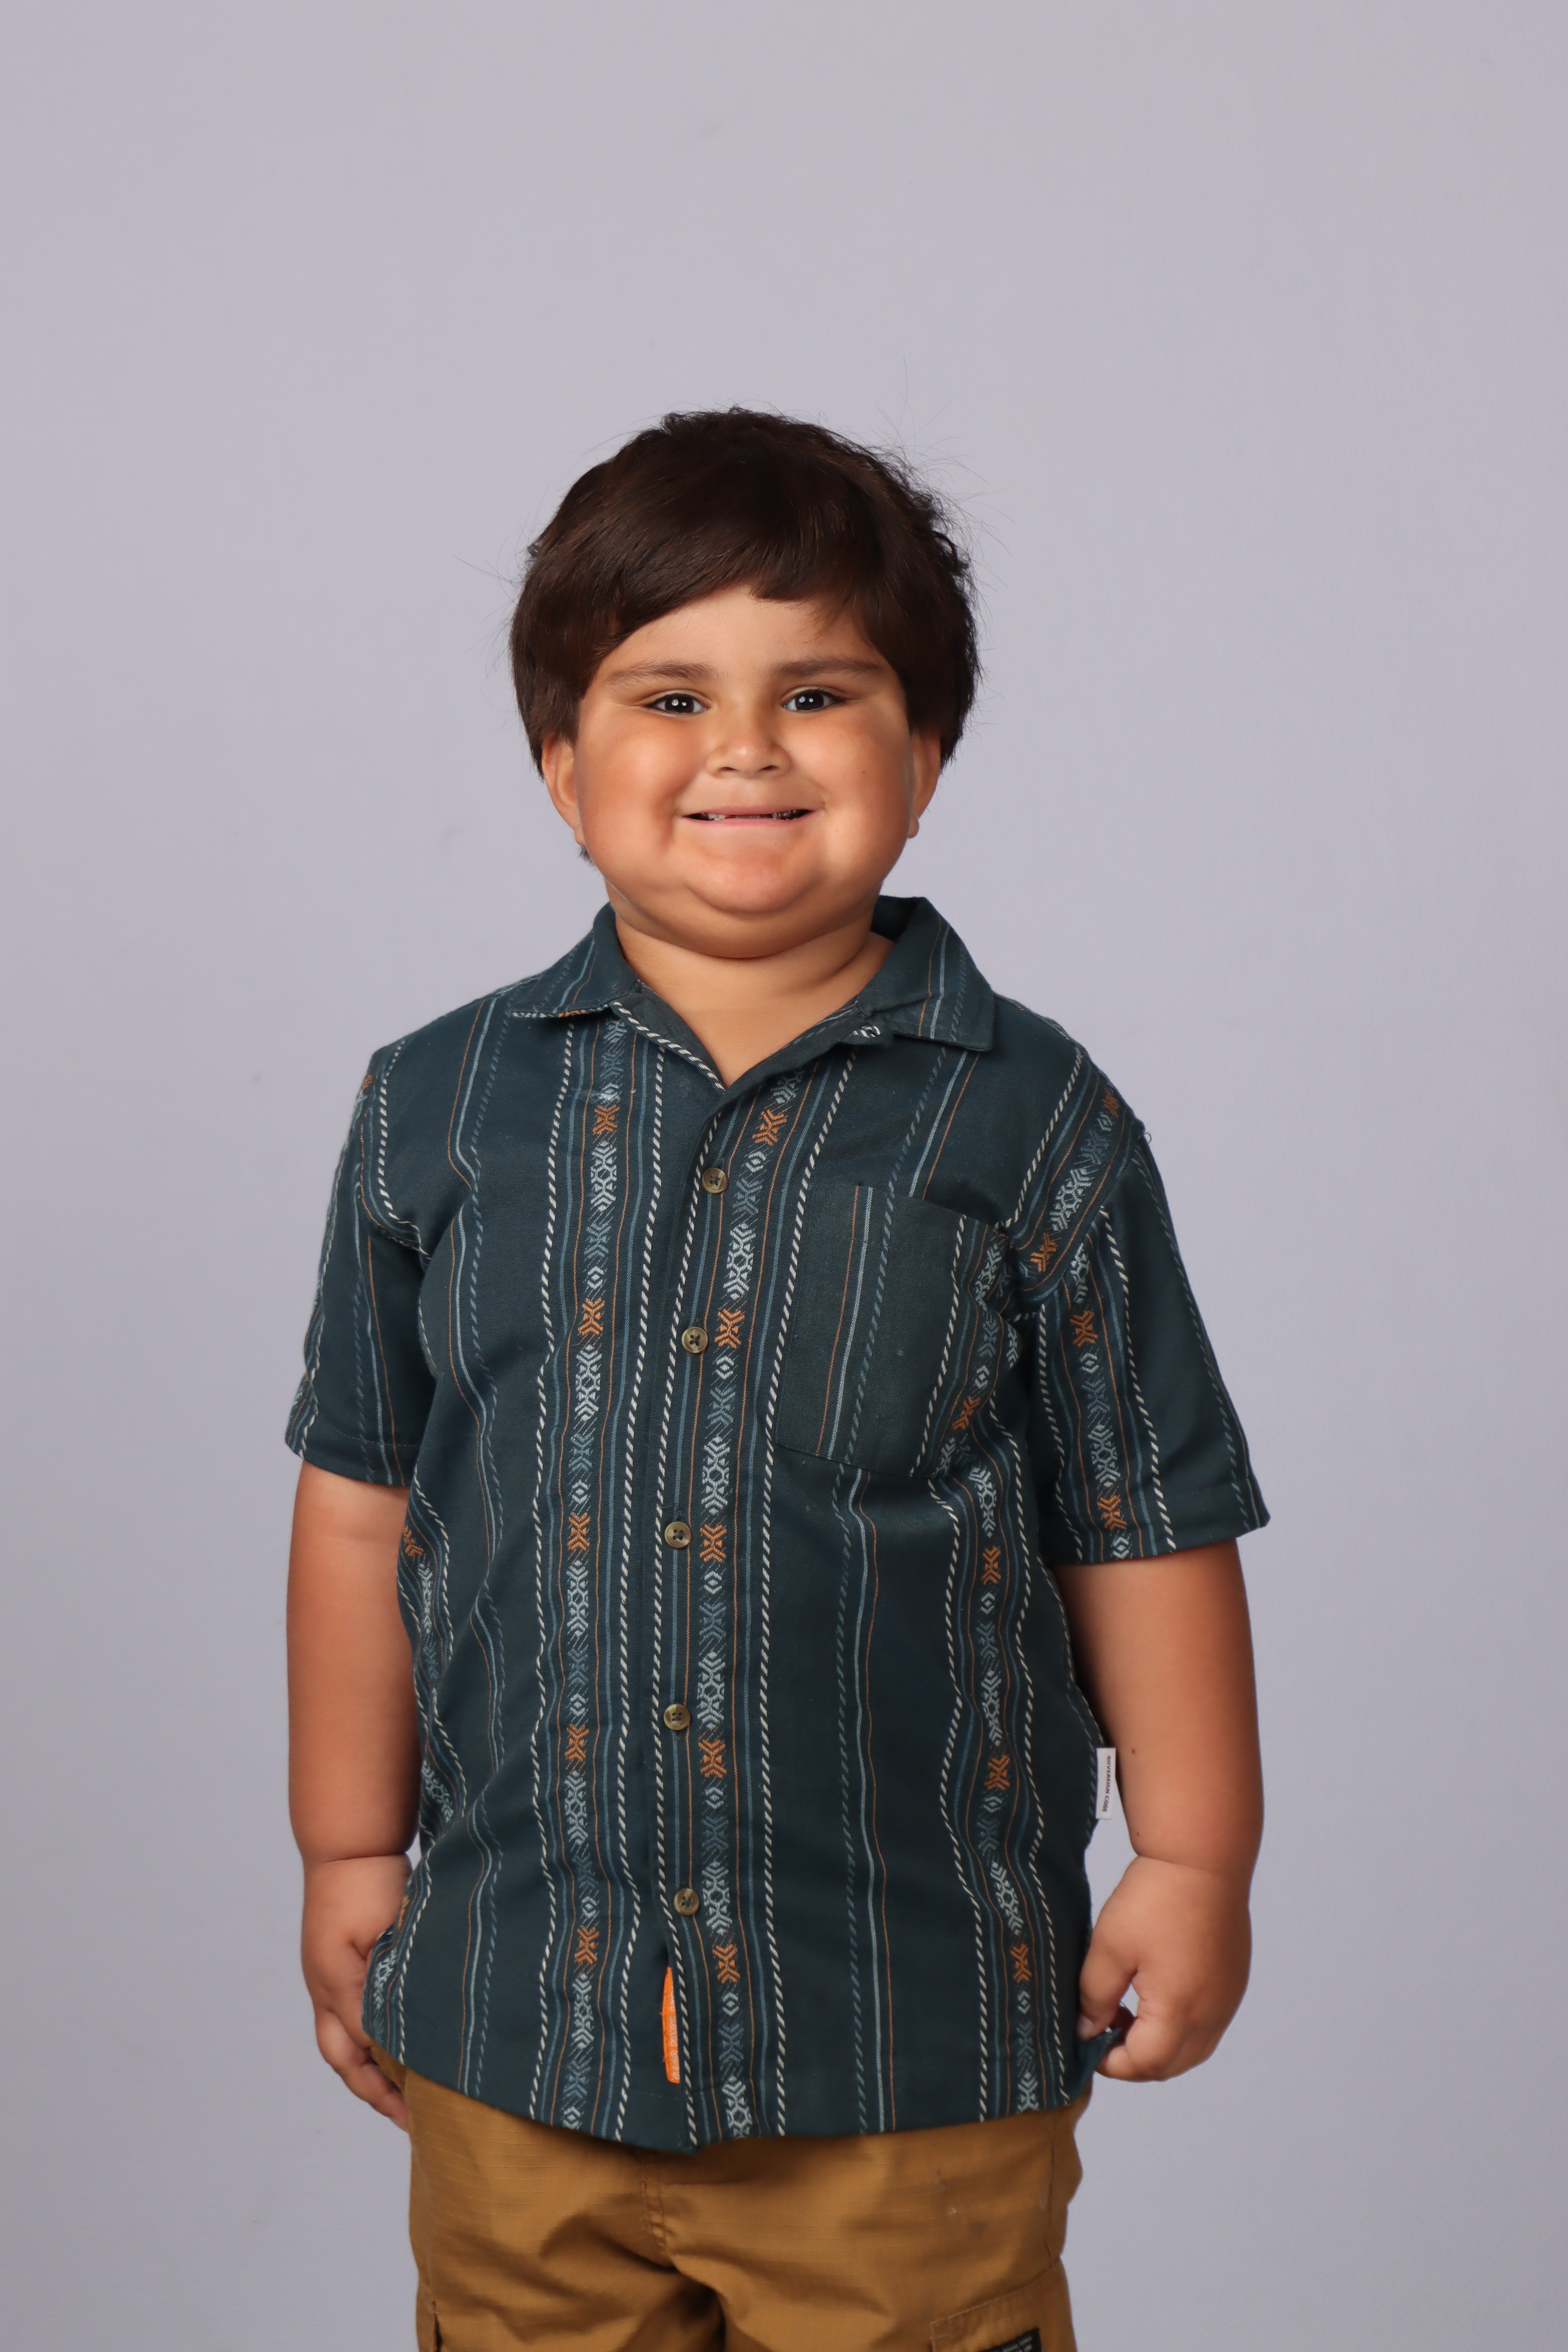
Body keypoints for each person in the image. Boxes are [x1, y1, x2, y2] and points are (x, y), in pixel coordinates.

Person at [286, 408, 1267, 2352]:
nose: (744, 747)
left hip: (905, 2052)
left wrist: (1193, 1856)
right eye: (670, 698)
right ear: (562, 767)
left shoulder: (1032, 1122)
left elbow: (1145, 1521)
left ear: (925, 755)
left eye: (816, 693)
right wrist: (344, 1844)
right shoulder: (436, 1110)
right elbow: (359, 1503)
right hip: (521, 2027)